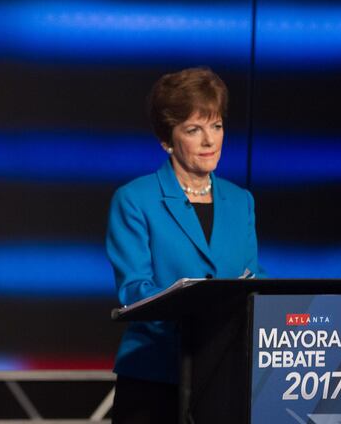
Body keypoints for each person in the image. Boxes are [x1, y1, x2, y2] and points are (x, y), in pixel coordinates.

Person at [106, 67, 263, 423]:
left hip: (226, 373)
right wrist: (201, 309)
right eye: (194, 129)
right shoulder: (135, 199)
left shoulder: (241, 202)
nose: (210, 141)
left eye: (216, 126)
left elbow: (253, 277)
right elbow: (134, 288)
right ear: (167, 139)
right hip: (154, 375)